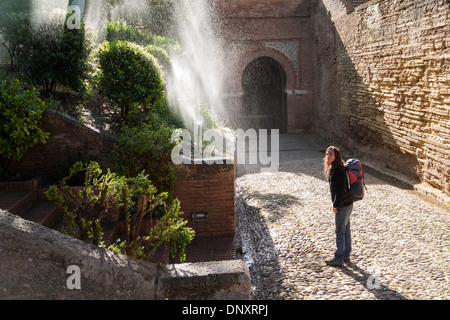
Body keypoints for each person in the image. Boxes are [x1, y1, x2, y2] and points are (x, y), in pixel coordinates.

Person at [323, 146, 354, 267]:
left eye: (331, 154)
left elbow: (339, 191)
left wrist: (335, 205)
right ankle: (346, 254)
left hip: (343, 205)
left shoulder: (338, 170)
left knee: (340, 231)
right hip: (347, 204)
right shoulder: (336, 168)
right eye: (327, 154)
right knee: (346, 230)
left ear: (336, 156)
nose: (328, 156)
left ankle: (339, 258)